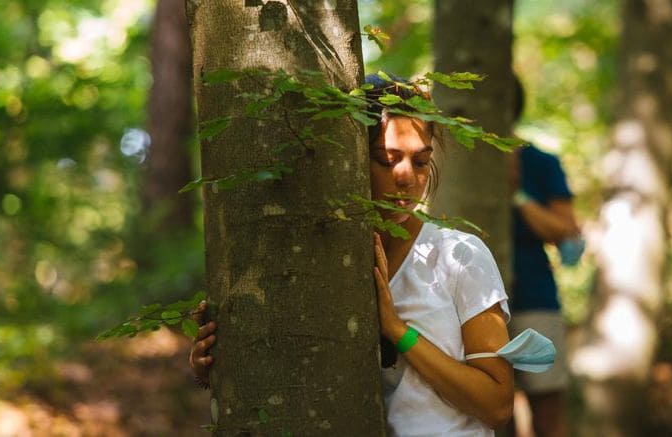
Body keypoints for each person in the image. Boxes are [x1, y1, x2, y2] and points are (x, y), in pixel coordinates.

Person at [190, 73, 515, 436]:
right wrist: (218, 364)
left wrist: (397, 330)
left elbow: (497, 404)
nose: (407, 177)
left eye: (420, 162)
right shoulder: (322, 261)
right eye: (387, 159)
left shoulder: (460, 255)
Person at [508, 76, 581, 437]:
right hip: (466, 304)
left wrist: (518, 196)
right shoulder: (451, 160)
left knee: (547, 415)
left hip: (533, 301)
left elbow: (567, 234)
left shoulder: (540, 163)